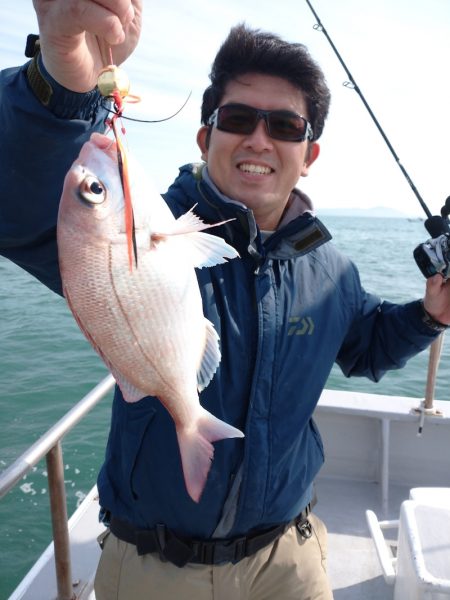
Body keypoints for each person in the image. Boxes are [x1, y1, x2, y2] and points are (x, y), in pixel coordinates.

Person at [1, 2, 450, 598]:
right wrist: (61, 74)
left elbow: (367, 348)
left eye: (286, 126)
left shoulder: (331, 271)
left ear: (309, 155)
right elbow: (19, 200)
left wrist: (429, 315)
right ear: (206, 135)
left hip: (290, 558)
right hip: (153, 568)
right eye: (239, 118)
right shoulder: (140, 231)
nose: (260, 139)